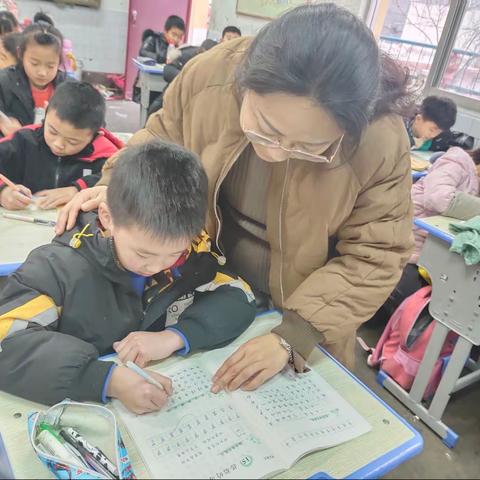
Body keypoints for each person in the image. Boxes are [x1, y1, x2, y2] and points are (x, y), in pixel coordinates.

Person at [57, 4, 414, 391]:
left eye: (309, 147)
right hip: (200, 287)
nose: (276, 153)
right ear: (244, 85)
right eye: (265, 129)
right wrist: (118, 187)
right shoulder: (210, 78)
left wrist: (292, 335)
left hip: (304, 314)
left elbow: (375, 256)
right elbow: (158, 140)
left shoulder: (378, 141)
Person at [0, 139, 255, 413]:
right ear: (107, 218)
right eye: (143, 254)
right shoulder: (58, 268)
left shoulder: (192, 256)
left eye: (173, 253)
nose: (156, 267)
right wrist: (108, 380)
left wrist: (174, 338)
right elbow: (7, 342)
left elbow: (239, 295)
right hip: (80, 405)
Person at [374, 147, 480, 323]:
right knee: (416, 308)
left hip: (433, 254)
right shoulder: (458, 160)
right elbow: (440, 199)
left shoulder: (476, 184)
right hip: (404, 244)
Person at [0, 82, 122, 210]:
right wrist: (3, 192)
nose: (58, 144)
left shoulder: (106, 154)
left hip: (80, 227)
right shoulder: (23, 140)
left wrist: (78, 189)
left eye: (72, 141)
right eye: (52, 131)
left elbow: (125, 182)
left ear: (95, 135)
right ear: (46, 113)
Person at [0, 23, 67, 137]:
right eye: (34, 63)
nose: (42, 73)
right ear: (20, 54)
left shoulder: (68, 88)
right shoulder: (4, 82)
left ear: (60, 61)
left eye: (50, 66)